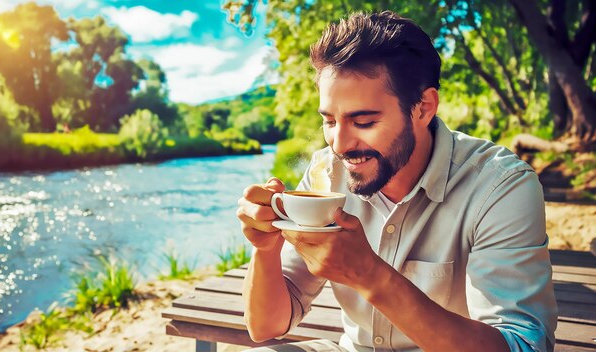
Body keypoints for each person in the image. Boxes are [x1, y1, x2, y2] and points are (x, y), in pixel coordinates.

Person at [236, 10, 557, 352]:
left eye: (364, 121)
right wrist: (265, 249)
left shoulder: (500, 187)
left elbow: (523, 345)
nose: (340, 145)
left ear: (423, 107)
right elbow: (265, 326)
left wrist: (371, 276)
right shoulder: (327, 175)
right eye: (330, 121)